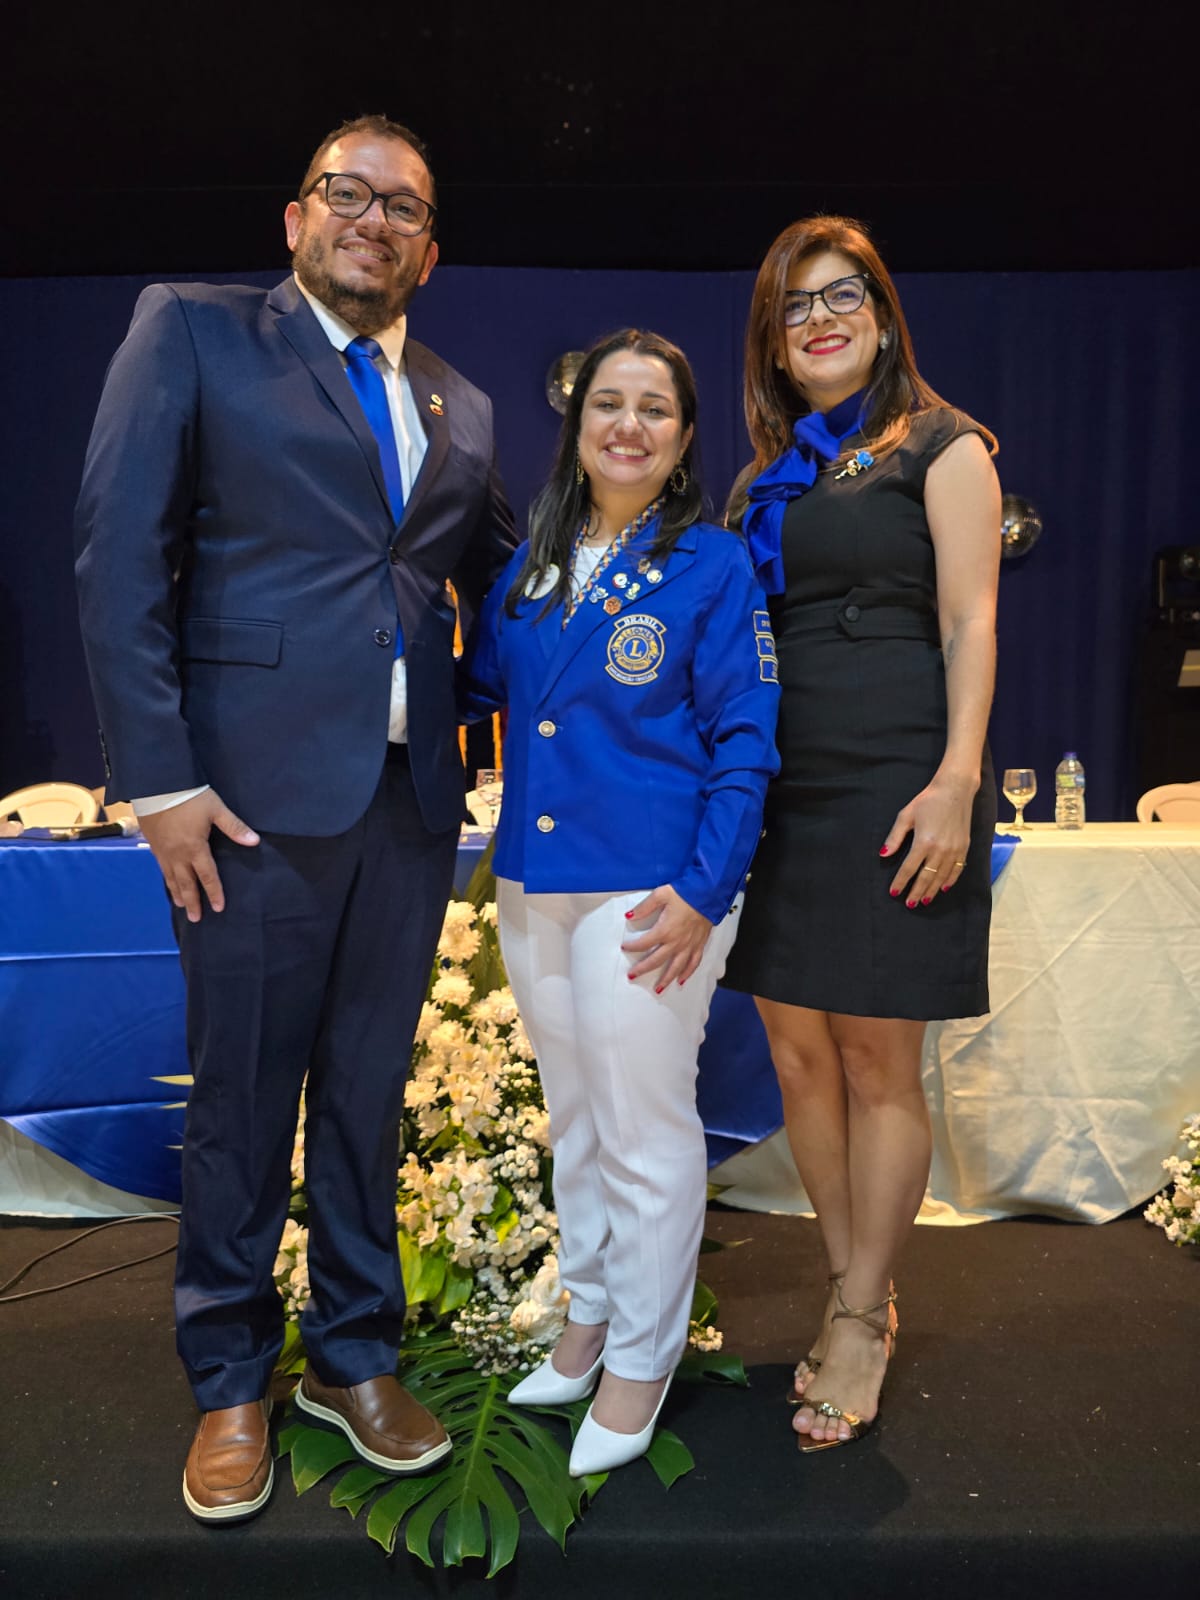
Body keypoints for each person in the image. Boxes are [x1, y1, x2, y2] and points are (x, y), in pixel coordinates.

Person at [74, 114, 516, 1522]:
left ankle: (353, 1352)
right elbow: (118, 556)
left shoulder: (461, 402)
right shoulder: (194, 336)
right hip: (247, 806)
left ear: (431, 254)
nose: (373, 219)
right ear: (294, 218)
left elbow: (514, 571)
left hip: (405, 806)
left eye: (404, 208)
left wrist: (673, 556)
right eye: (348, 194)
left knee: (372, 1097)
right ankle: (225, 1381)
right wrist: (161, 781)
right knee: (245, 1102)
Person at [461, 329, 779, 1476]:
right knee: (579, 1120)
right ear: (578, 421)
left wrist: (705, 891)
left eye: (655, 409)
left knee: (645, 1132)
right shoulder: (537, 556)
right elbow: (487, 683)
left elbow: (747, 742)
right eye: (609, 404)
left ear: (687, 438)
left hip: (654, 889)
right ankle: (588, 1323)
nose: (628, 425)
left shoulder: (712, 562)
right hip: (538, 882)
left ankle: (644, 1357)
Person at [722, 217, 1000, 1450]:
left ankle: (854, 1309)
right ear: (775, 348)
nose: (821, 319)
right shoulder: (759, 484)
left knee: (881, 1061)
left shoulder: (947, 446)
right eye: (795, 306)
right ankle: (858, 1287)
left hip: (899, 777)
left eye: (844, 298)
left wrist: (956, 780)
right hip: (787, 789)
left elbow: (970, 625)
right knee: (797, 1059)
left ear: (884, 316)